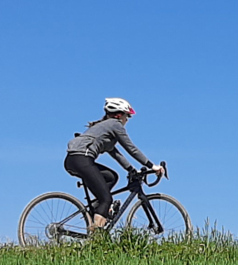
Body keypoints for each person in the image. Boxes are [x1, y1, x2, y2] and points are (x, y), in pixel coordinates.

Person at [64, 98, 164, 228]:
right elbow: (131, 149)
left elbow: (116, 154)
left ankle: (98, 209)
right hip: (82, 159)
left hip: (72, 161)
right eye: (127, 116)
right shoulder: (114, 125)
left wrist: (131, 170)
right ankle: (96, 238)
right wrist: (152, 166)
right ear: (119, 115)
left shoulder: (104, 128)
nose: (127, 120)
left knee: (111, 177)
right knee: (107, 199)